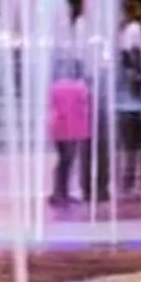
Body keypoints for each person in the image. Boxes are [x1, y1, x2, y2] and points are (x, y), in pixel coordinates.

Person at [47, 66, 94, 207]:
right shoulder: (79, 88)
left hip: (60, 126)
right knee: (67, 159)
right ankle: (60, 192)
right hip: (70, 127)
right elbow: (81, 108)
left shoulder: (56, 86)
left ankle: (60, 192)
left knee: (64, 159)